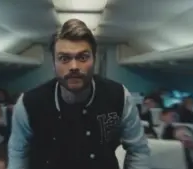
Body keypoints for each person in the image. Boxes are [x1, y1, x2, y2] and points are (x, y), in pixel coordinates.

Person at [8, 19, 150, 169]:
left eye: (83, 57)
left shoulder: (119, 96)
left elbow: (138, 150)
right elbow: (18, 153)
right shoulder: (29, 104)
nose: (74, 66)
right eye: (64, 58)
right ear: (53, 63)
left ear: (94, 59)